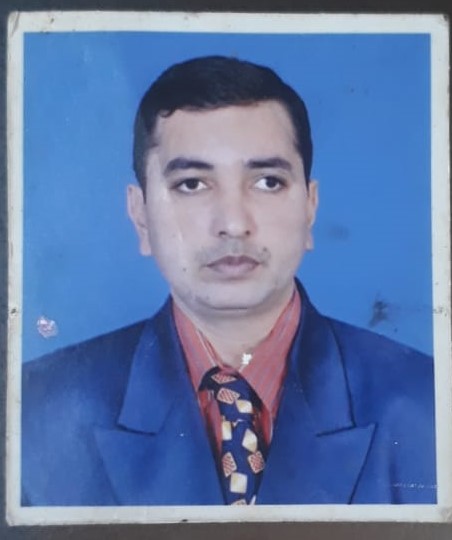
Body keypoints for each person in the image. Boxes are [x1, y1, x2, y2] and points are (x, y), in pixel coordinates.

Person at [21, 56, 436, 506]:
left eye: (268, 182)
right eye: (192, 184)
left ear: (310, 207)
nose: (234, 224)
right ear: (140, 216)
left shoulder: (428, 404)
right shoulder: (33, 413)